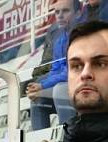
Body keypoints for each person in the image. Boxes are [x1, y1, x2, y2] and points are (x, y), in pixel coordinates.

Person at [27, 0, 78, 130]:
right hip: (65, 84)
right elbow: (55, 70)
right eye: (57, 12)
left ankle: (67, 139)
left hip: (80, 83)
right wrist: (38, 87)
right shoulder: (59, 39)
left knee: (59, 90)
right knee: (38, 98)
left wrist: (43, 85)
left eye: (65, 11)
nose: (60, 15)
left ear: (77, 14)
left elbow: (72, 70)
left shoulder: (80, 36)